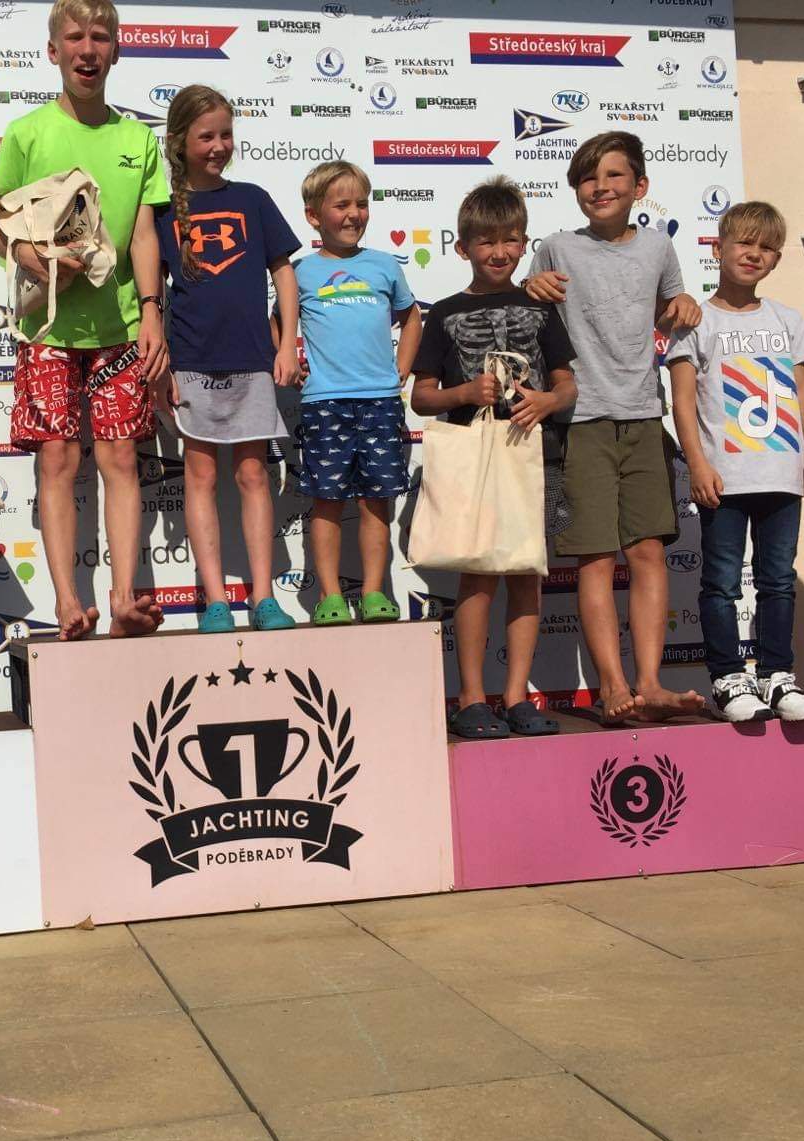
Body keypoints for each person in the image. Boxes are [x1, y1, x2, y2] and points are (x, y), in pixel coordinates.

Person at [0, 0, 170, 640]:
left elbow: (143, 235)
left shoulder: (138, 139)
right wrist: (36, 260)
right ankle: (66, 601)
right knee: (57, 460)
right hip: (49, 330)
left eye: (100, 37)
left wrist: (152, 312)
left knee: (121, 459)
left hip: (121, 327)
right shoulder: (26, 133)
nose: (88, 49)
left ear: (116, 50)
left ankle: (123, 598)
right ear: (53, 51)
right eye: (75, 37)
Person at [525, 130, 703, 721]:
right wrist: (529, 286)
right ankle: (612, 687)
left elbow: (672, 312)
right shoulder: (555, 247)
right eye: (587, 178)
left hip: (644, 416)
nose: (600, 187)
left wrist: (685, 305)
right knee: (596, 559)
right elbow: (529, 314)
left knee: (648, 551)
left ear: (640, 186)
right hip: (581, 421)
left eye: (613, 175)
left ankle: (650, 683)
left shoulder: (658, 247)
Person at [410, 177, 577, 737]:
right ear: (462, 248)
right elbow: (421, 396)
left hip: (535, 455)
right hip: (473, 458)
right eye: (486, 242)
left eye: (510, 240)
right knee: (478, 574)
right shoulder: (445, 313)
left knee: (527, 573)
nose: (499, 252)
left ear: (524, 243)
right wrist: (462, 393)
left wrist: (548, 401)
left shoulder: (541, 307)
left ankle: (517, 697)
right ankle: (472, 698)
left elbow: (567, 384)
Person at [668, 201, 804, 723]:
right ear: (718, 249)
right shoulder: (696, 322)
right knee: (721, 582)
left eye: (766, 248)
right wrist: (697, 463)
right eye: (744, 243)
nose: (754, 254)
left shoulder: (787, 318)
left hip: (781, 474)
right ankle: (728, 678)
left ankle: (778, 676)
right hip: (725, 476)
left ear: (777, 259)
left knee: (777, 580)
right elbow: (682, 400)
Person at [153, 85, 301, 633]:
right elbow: (152, 292)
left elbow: (283, 273)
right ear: (179, 142)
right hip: (190, 360)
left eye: (226, 134)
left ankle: (264, 597)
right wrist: (161, 367)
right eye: (206, 136)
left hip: (252, 359)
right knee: (198, 474)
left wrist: (287, 344)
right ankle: (215, 600)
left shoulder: (253, 198)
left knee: (253, 475)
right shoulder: (161, 210)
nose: (219, 146)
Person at [293, 160, 422, 626]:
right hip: (324, 402)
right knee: (326, 500)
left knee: (375, 501)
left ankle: (373, 592)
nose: (354, 214)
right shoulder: (301, 271)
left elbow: (411, 317)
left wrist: (402, 366)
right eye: (341, 205)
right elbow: (278, 324)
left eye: (361, 204)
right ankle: (329, 595)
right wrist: (287, 359)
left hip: (380, 401)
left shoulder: (384, 265)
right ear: (314, 216)